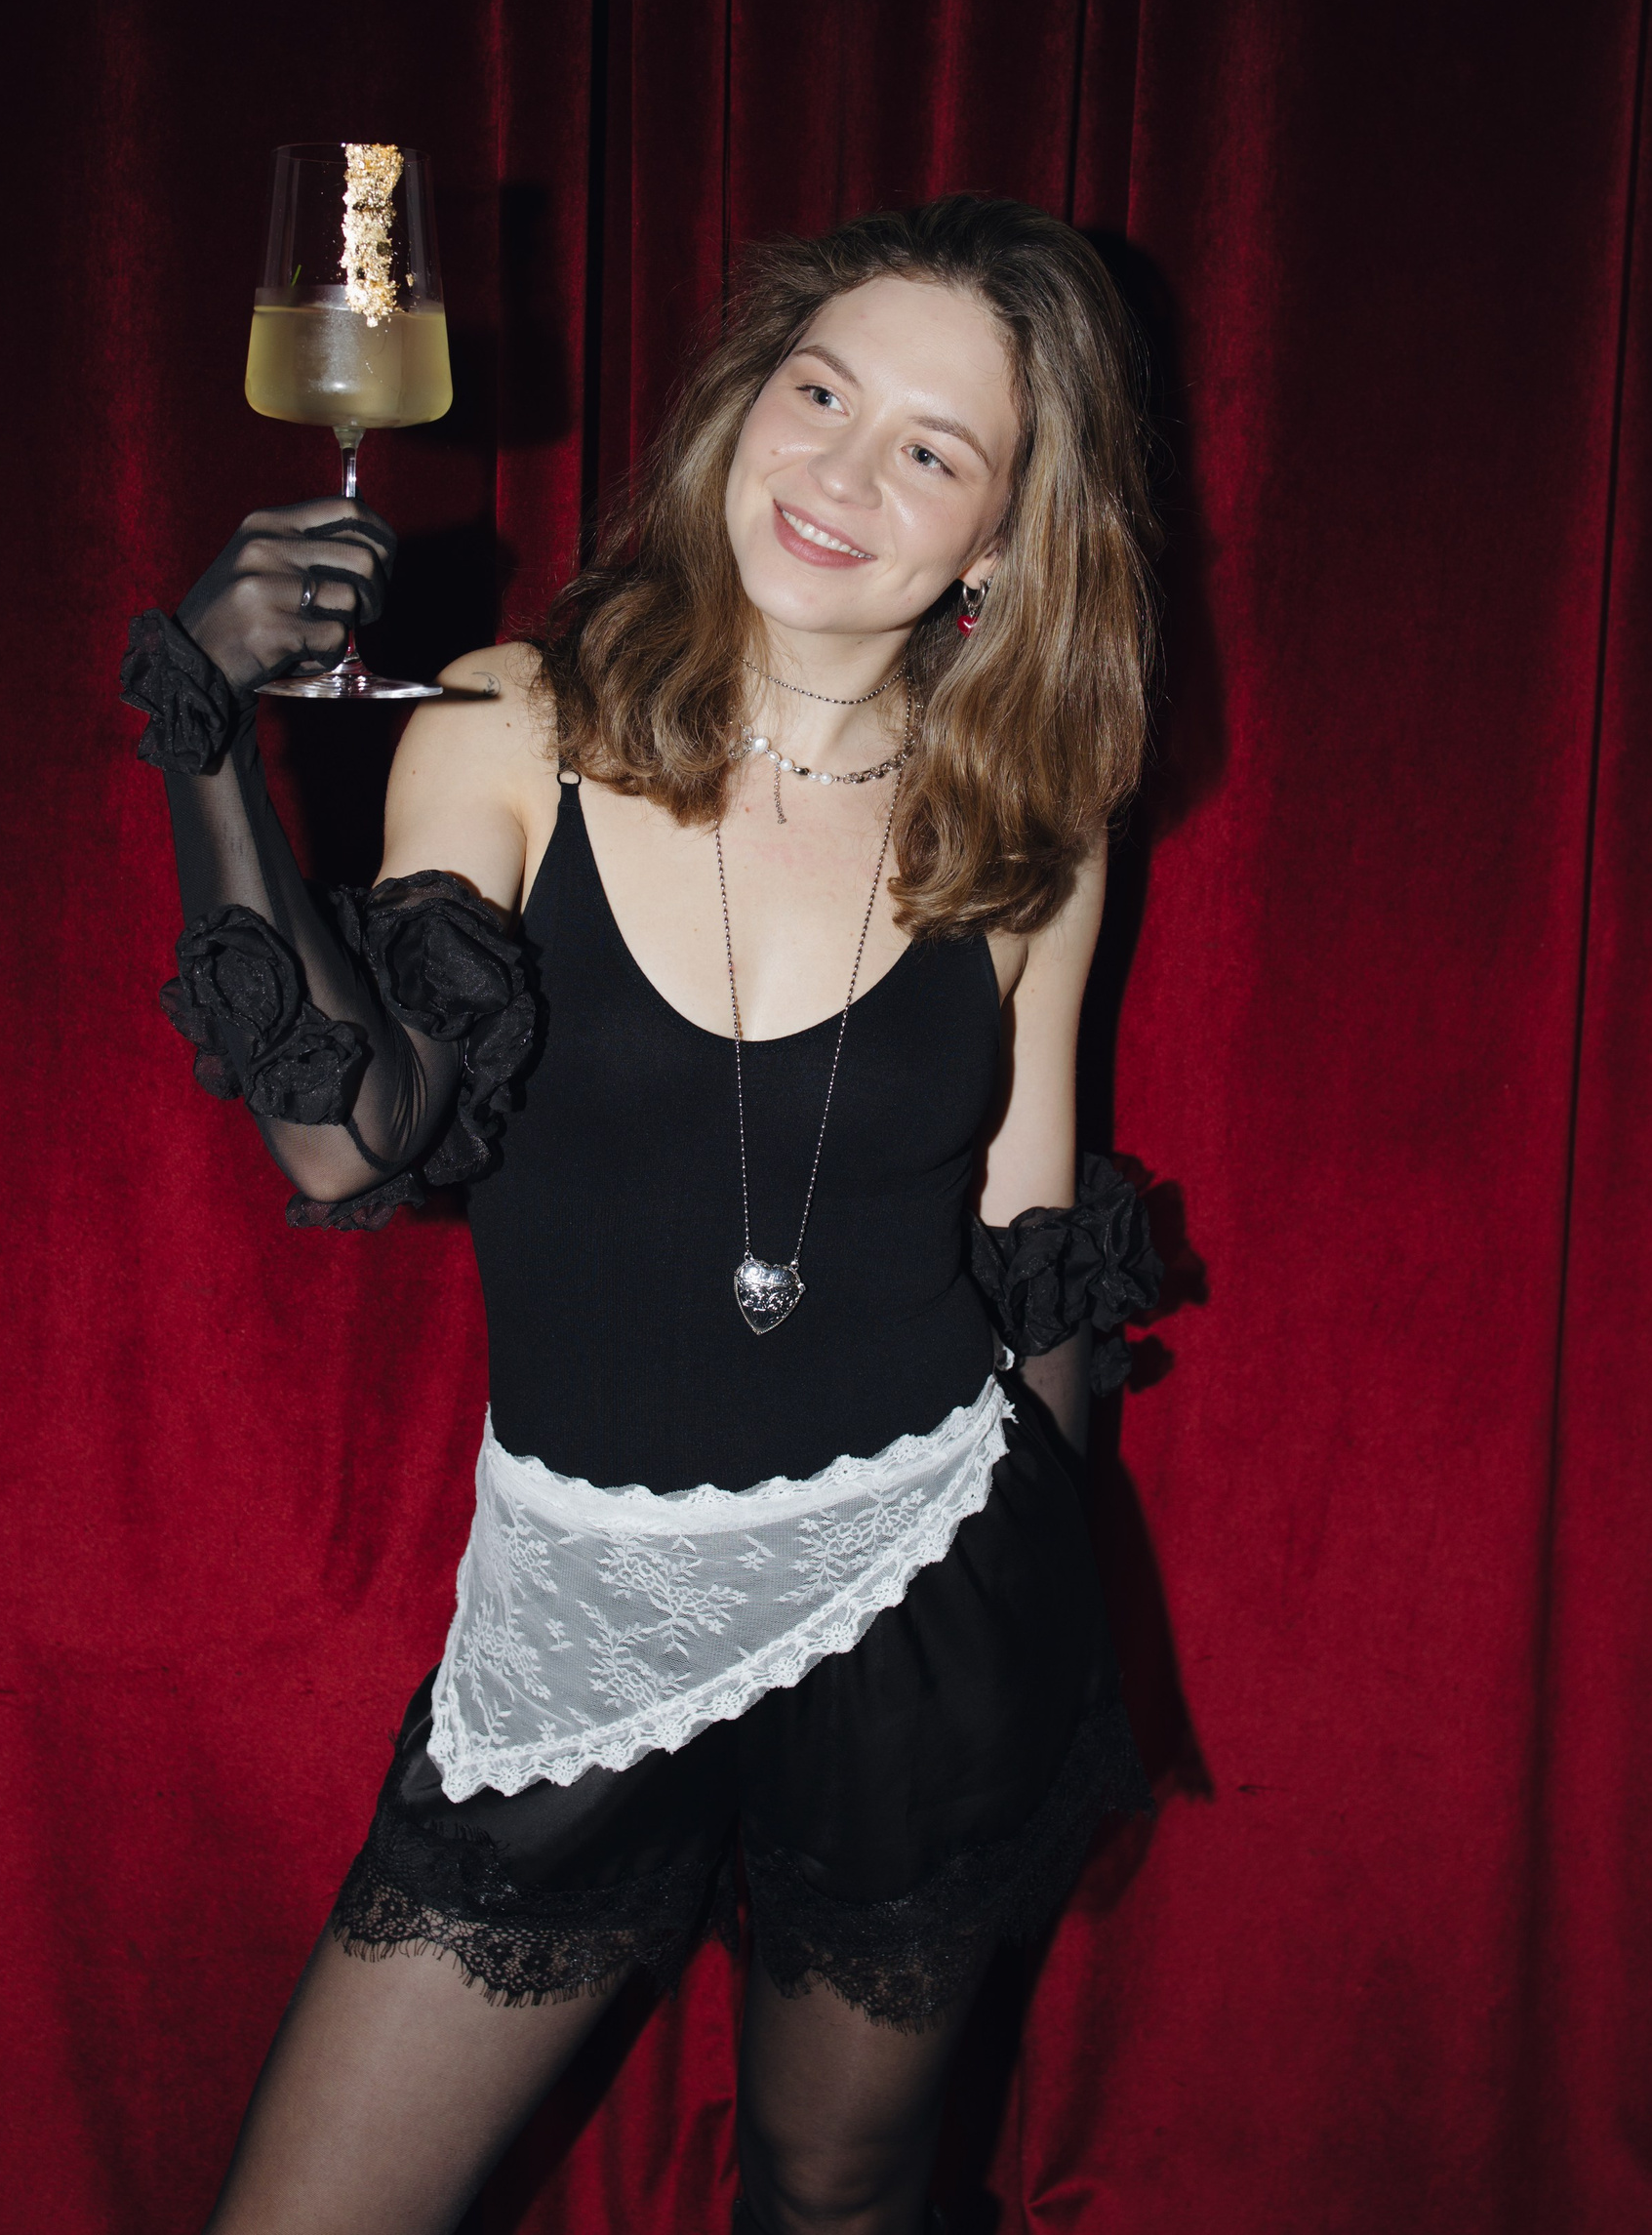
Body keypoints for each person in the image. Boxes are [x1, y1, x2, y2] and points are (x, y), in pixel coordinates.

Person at [123, 193, 1164, 2235]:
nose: (841, 472)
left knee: (837, 2192)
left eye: (931, 449)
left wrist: (1046, 1655)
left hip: (923, 1590)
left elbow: (1035, 1253)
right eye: (819, 393)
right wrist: (204, 732)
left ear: (1003, 542)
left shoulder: (1032, 827)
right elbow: (348, 1140)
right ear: (742, 405)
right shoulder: (516, 723)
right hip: (587, 1607)